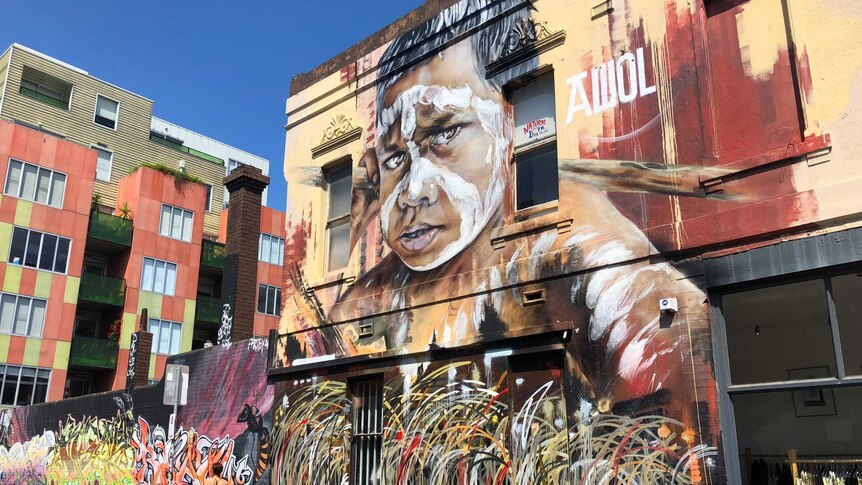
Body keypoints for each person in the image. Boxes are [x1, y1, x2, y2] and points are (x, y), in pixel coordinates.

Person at [295, 0, 717, 423]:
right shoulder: (366, 301)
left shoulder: (579, 252)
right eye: (394, 158)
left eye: (444, 133)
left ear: (508, 126)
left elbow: (683, 371)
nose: (412, 192)